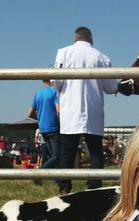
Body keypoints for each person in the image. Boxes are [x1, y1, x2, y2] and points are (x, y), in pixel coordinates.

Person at [53, 26, 119, 194]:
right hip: (93, 110)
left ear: (75, 38)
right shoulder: (102, 57)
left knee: (67, 152)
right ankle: (94, 189)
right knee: (95, 151)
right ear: (91, 39)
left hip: (70, 110)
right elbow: (111, 88)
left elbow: (56, 81)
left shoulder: (63, 53)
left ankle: (64, 188)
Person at [28, 80, 60, 185]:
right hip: (53, 127)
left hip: (42, 129)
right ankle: (39, 173)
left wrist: (40, 119)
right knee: (56, 156)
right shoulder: (54, 92)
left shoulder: (38, 94)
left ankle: (57, 180)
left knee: (52, 156)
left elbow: (29, 113)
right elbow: (58, 110)